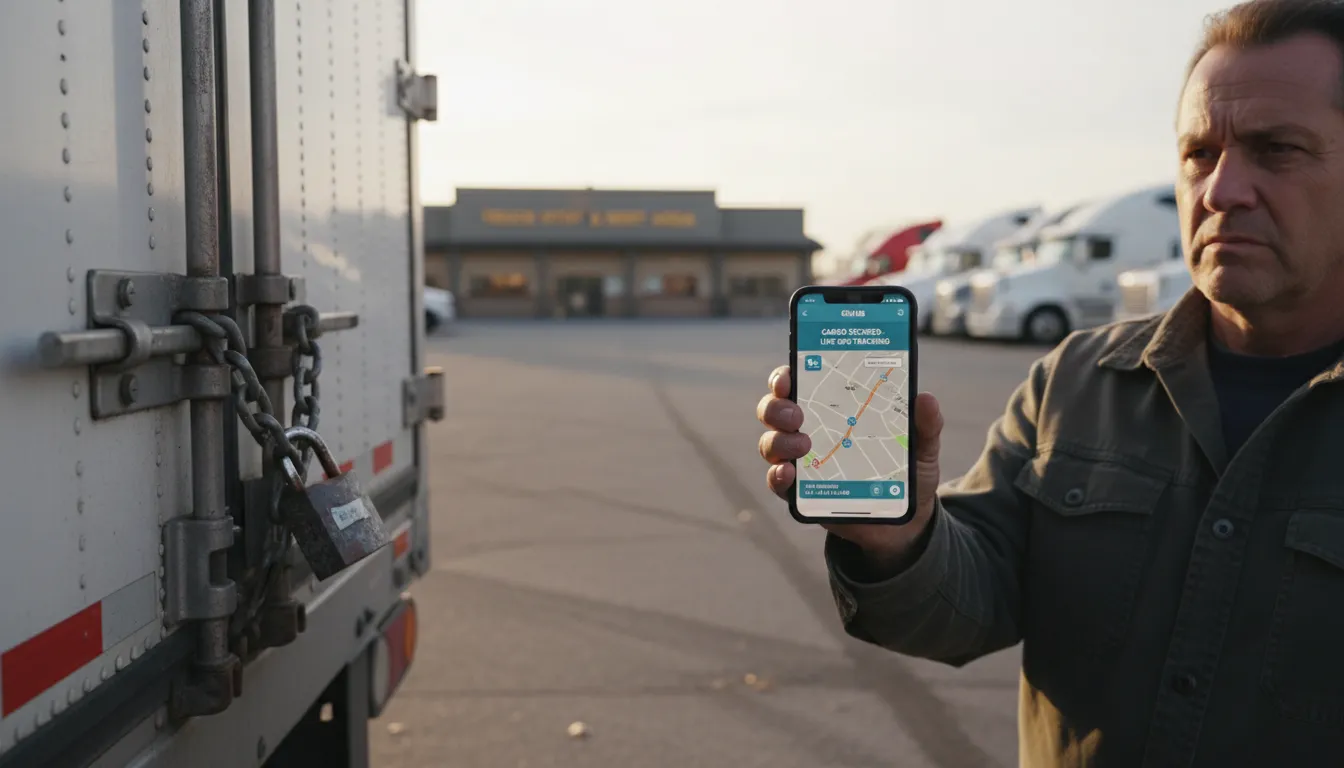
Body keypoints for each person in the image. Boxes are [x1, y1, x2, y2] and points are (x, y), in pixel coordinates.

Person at [756, 1, 1344, 764]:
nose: (1222, 189)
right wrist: (901, 542)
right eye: (1200, 153)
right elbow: (967, 605)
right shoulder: (1076, 381)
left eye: (1277, 149)